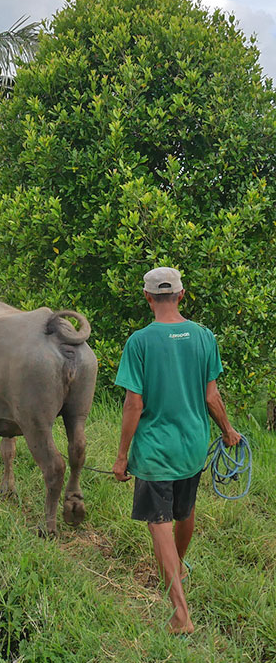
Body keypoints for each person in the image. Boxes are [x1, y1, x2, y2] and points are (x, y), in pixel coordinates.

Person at [112, 266, 241, 634]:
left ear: (148, 297)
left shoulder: (139, 342)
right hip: (192, 446)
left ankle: (180, 612)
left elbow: (133, 404)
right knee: (185, 511)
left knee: (159, 522)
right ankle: (177, 568)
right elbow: (211, 395)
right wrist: (228, 430)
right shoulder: (203, 337)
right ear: (181, 296)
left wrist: (122, 457)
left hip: (156, 450)